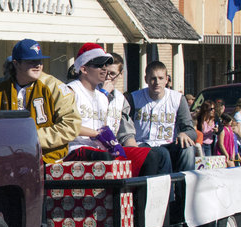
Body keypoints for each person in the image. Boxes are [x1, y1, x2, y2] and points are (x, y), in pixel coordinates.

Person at [64, 44, 169, 175]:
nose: (104, 69)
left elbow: (108, 129)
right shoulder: (71, 91)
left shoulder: (102, 97)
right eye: (99, 65)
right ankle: (115, 194)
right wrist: (97, 134)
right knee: (108, 160)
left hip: (101, 149)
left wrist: (114, 145)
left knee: (149, 156)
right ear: (84, 69)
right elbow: (66, 127)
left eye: (105, 65)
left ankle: (138, 195)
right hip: (76, 148)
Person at [0, 38, 79, 164]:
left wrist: (32, 137)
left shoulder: (55, 87)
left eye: (39, 61)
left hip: (48, 161)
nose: (38, 65)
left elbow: (72, 124)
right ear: (16, 63)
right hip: (6, 160)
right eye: (31, 61)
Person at [128, 61, 198, 172]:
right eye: (153, 78)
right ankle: (166, 187)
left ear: (167, 79)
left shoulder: (178, 98)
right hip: (142, 144)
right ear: (146, 79)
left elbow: (190, 130)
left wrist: (185, 134)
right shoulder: (134, 98)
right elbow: (125, 126)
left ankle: (185, 185)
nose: (157, 82)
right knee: (162, 153)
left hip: (169, 144)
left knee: (188, 149)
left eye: (161, 78)